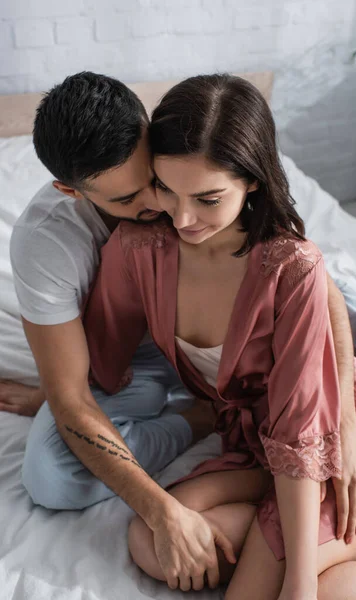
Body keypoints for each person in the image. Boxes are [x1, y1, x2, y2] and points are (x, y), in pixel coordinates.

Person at [83, 74, 356, 600]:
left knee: (300, 589)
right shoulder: (137, 251)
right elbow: (100, 361)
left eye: (207, 198)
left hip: (337, 429)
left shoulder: (290, 266)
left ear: (252, 180)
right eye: (166, 188)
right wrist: (54, 392)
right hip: (255, 443)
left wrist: (298, 586)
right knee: (150, 538)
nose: (182, 217)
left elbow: (302, 427)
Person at [5, 72, 215, 511]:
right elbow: (73, 397)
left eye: (151, 179)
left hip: (216, 330)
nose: (160, 205)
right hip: (126, 364)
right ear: (70, 191)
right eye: (126, 200)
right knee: (53, 477)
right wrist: (160, 510)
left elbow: (294, 263)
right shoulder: (46, 241)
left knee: (351, 321)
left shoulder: (194, 163)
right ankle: (201, 418)